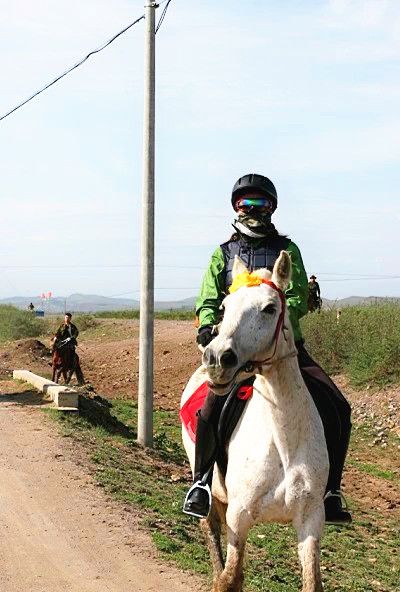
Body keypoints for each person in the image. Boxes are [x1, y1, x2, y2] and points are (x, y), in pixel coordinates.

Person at [183, 173, 352, 525]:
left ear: (271, 208)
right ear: (236, 208)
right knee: (209, 409)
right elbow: (209, 297)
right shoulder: (224, 254)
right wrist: (205, 325)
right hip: (238, 350)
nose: (252, 209)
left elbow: (297, 296)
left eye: (259, 203)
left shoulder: (288, 251)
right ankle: (200, 483)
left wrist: (269, 311)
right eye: (246, 204)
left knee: (337, 406)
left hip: (284, 347)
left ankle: (332, 490)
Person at [52, 312, 84, 383]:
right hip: (62, 342)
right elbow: (57, 333)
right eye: (66, 317)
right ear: (64, 318)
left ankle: (72, 363)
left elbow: (76, 333)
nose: (67, 319)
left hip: (70, 343)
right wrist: (55, 337)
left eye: (68, 318)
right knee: (55, 348)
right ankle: (53, 362)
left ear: (70, 318)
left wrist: (71, 338)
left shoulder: (72, 327)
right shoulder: (61, 326)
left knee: (71, 352)